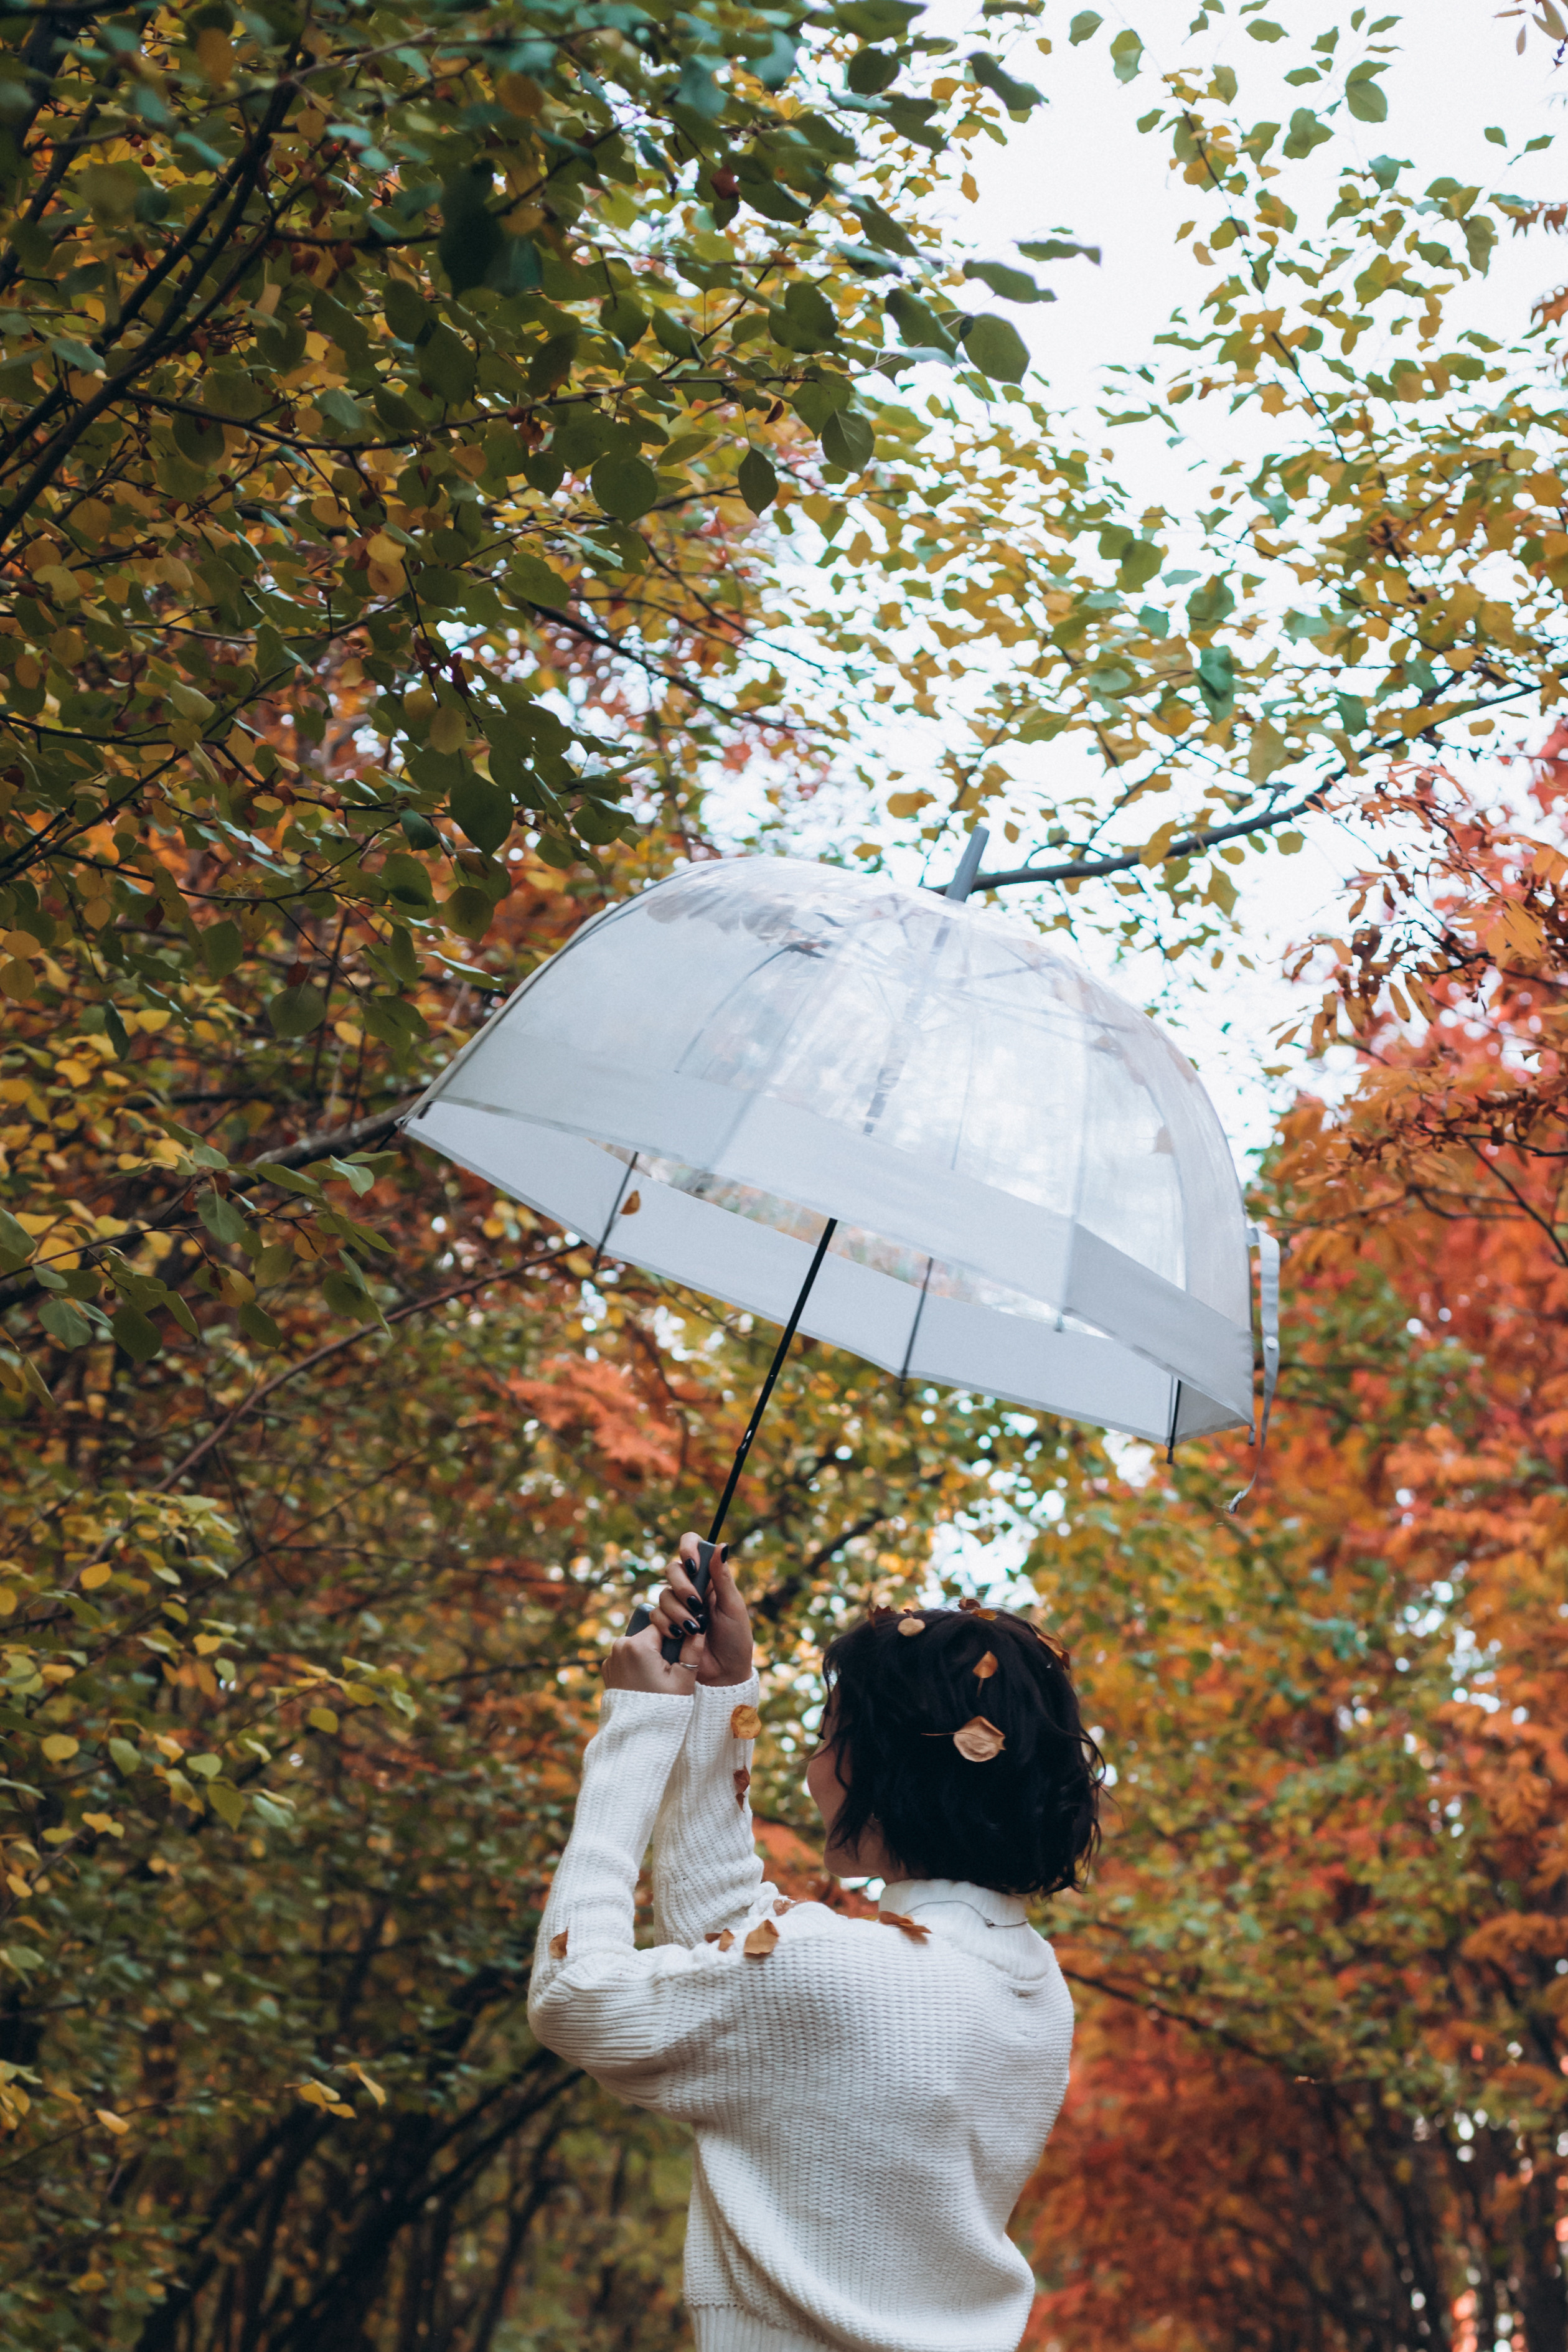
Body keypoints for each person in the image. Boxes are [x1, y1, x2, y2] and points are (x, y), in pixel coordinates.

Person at [528, 1535, 1103, 2352]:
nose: (813, 1765)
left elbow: (574, 1995)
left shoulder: (842, 1978)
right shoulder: (1031, 1985)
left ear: (891, 1766)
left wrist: (636, 1727)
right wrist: (723, 1693)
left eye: (832, 1734)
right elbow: (730, 1940)